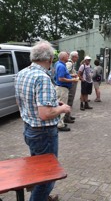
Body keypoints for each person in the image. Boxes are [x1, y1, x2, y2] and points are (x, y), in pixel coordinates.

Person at [15, 40, 70, 201]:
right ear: (50, 59)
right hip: (43, 133)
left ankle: (43, 197)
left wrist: (54, 103)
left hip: (30, 130)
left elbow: (24, 101)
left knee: (37, 171)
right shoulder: (42, 77)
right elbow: (45, 114)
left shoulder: (23, 73)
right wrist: (63, 108)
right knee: (48, 177)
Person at [54, 51, 78, 132]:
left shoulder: (59, 64)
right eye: (67, 56)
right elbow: (61, 78)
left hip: (61, 88)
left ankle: (60, 122)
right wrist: (72, 79)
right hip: (62, 88)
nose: (68, 58)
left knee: (60, 105)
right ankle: (60, 124)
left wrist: (71, 75)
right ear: (63, 58)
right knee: (62, 107)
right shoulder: (61, 66)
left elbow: (63, 75)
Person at [65, 51, 79, 123]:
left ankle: (68, 115)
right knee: (70, 99)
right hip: (71, 83)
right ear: (73, 57)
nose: (77, 58)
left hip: (72, 82)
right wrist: (73, 75)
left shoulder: (71, 63)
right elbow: (65, 73)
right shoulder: (69, 63)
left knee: (70, 99)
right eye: (77, 56)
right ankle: (66, 117)